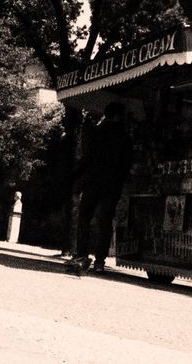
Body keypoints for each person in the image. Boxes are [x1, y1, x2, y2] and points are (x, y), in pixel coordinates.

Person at [68, 102, 133, 274]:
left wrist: (76, 178)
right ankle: (100, 261)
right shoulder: (125, 137)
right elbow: (127, 163)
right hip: (113, 185)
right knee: (105, 222)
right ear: (118, 116)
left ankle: (81, 255)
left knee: (84, 218)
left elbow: (87, 158)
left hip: (93, 181)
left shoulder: (97, 132)